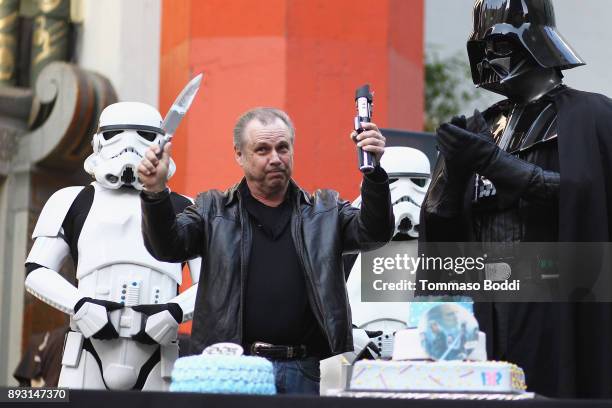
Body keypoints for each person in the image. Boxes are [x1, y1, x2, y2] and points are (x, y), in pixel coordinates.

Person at [420, 0, 612, 398]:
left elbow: (586, 199)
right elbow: (440, 227)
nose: (490, 60)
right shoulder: (484, 125)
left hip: (555, 303)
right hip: (484, 307)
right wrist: (453, 172)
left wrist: (493, 162)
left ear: (537, 44)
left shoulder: (592, 116)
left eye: (499, 47)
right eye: (483, 50)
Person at [137, 107, 394, 394]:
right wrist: (155, 194)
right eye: (262, 149)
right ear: (239, 155)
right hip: (233, 368)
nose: (275, 158)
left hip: (302, 369)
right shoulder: (212, 209)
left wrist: (375, 174)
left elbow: (374, 234)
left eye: (283, 148)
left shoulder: (325, 211)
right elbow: (168, 246)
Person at [24, 102, 201, 390]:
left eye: (142, 134)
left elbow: (213, 282)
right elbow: (36, 271)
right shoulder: (70, 200)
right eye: (115, 134)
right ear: (98, 141)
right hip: (87, 349)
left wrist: (174, 312)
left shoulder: (185, 207)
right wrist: (79, 306)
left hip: (158, 351)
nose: (128, 145)